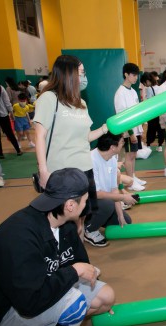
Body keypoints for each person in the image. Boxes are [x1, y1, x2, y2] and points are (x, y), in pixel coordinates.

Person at [0, 168, 115, 326]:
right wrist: (75, 272)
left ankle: (52, 322)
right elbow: (29, 303)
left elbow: (80, 263)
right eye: (85, 200)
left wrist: (80, 270)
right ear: (70, 205)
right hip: (5, 310)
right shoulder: (20, 237)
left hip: (39, 289)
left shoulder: (64, 224)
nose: (87, 205)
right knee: (74, 305)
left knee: (105, 297)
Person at [34, 55, 109, 237]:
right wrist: (44, 171)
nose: (84, 77)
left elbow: (86, 137)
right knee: (61, 221)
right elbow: (39, 136)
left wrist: (105, 129)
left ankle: (79, 254)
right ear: (69, 74)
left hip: (85, 169)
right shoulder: (49, 99)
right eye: (81, 73)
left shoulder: (81, 103)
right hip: (61, 172)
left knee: (81, 218)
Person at [85, 133, 136, 247]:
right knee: (107, 205)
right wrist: (123, 197)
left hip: (102, 202)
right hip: (88, 202)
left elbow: (114, 189)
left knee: (126, 221)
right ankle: (88, 230)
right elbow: (97, 194)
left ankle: (99, 219)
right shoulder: (91, 160)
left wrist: (120, 215)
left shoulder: (112, 159)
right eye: (122, 142)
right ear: (113, 147)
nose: (123, 143)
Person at [114, 62, 146, 191]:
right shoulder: (120, 93)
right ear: (126, 74)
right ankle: (130, 182)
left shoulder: (133, 91)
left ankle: (132, 176)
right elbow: (123, 115)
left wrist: (140, 129)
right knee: (128, 155)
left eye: (137, 75)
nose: (136, 78)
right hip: (128, 131)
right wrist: (131, 133)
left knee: (133, 154)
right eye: (133, 75)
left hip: (136, 129)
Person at [141, 72, 165, 151]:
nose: (145, 85)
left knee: (151, 129)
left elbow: (149, 101)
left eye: (144, 83)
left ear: (147, 80)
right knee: (160, 129)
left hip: (153, 112)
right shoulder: (159, 87)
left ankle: (148, 145)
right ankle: (160, 145)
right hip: (161, 112)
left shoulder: (149, 89)